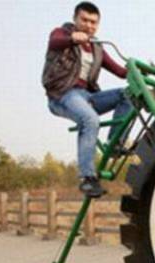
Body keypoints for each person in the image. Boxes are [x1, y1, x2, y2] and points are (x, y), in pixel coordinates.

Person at [42, 1, 132, 198]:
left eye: (93, 22)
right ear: (75, 19)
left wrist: (135, 70)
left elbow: (119, 70)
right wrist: (73, 38)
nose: (89, 26)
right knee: (90, 119)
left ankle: (115, 144)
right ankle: (87, 179)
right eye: (84, 20)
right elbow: (54, 42)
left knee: (129, 94)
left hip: (87, 96)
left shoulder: (96, 47)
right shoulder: (61, 34)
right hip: (63, 94)